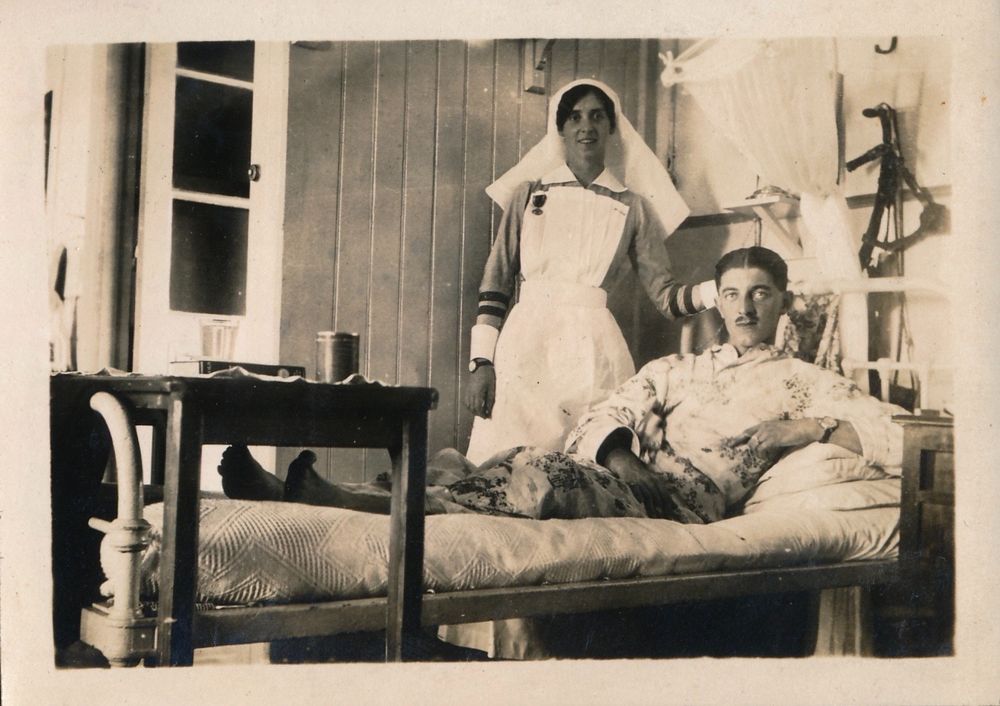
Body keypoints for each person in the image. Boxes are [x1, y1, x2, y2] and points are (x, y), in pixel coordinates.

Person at [463, 79, 719, 465]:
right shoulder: (528, 195)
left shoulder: (633, 207)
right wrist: (481, 362)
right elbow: (496, 281)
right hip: (525, 345)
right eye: (576, 117)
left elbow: (666, 297)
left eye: (597, 116)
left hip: (594, 350)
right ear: (561, 128)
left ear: (612, 128)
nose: (587, 127)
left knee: (589, 460)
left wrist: (723, 289)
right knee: (509, 462)